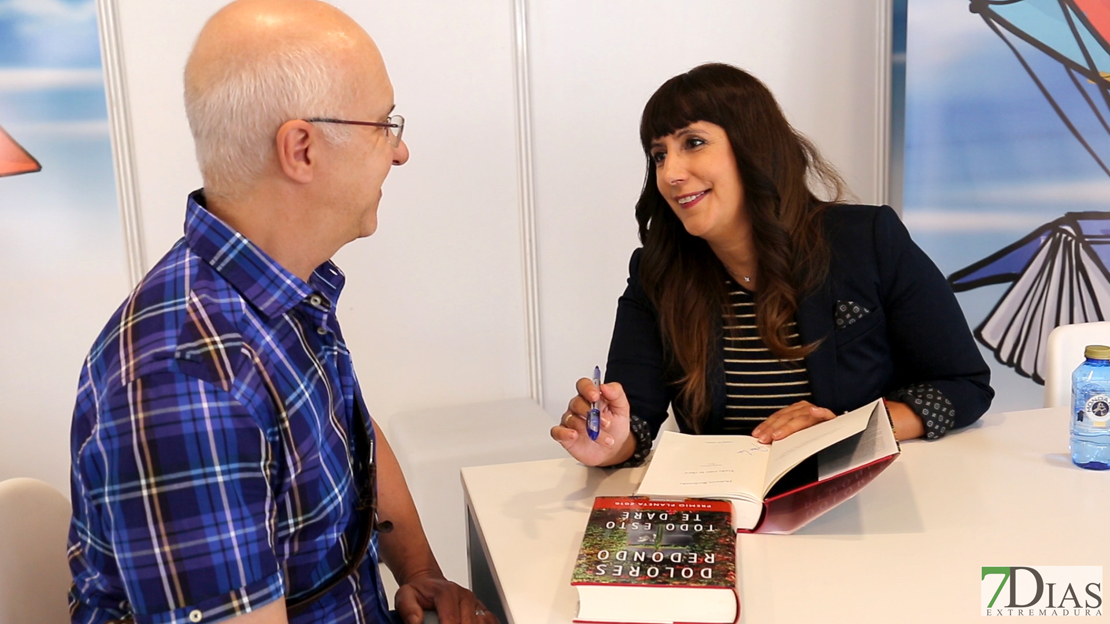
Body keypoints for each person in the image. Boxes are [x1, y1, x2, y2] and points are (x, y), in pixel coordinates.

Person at [67, 2, 494, 623]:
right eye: (384, 125)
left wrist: (422, 573)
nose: (399, 154)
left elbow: (347, 435)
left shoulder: (283, 287)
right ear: (302, 148)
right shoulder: (189, 378)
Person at [552, 63, 994, 469]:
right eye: (659, 154)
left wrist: (846, 431)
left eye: (694, 143)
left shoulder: (867, 240)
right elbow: (638, 418)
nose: (670, 174)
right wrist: (611, 442)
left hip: (858, 492)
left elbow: (963, 384)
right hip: (728, 505)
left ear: (753, 147)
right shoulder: (657, 272)